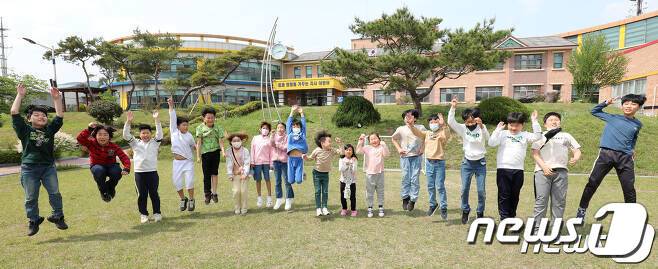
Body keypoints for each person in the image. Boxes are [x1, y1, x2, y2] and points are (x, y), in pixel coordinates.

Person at [576, 94, 646, 220]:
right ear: (622, 105)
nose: (629, 106)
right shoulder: (612, 117)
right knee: (593, 182)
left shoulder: (638, 124)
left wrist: (632, 149)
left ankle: (632, 216)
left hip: (625, 158)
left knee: (629, 188)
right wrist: (605, 103)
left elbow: (633, 138)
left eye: (633, 104)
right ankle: (582, 209)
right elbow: (594, 111)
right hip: (606, 155)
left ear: (639, 107)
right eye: (626, 103)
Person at [11, 83, 68, 236]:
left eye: (43, 116)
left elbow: (59, 116)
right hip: (29, 169)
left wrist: (57, 99)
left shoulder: (49, 130)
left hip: (48, 167)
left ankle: (58, 216)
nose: (41, 117)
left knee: (55, 193)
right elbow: (14, 111)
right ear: (29, 119)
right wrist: (20, 95)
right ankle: (34, 220)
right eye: (37, 115)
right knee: (30, 197)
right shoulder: (25, 130)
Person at [488, 110, 541, 220]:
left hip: (518, 170)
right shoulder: (503, 134)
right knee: (504, 195)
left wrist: (534, 121)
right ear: (508, 125)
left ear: (522, 125)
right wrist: (497, 130)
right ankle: (504, 218)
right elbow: (491, 143)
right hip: (503, 169)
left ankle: (511, 217)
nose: (513, 128)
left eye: (517, 126)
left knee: (515, 195)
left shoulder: (524, 135)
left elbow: (537, 136)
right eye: (511, 125)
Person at [531, 112, 581, 227]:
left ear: (560, 122)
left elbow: (576, 150)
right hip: (542, 172)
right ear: (545, 124)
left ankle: (555, 229)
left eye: (556, 120)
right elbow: (535, 153)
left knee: (559, 202)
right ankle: (537, 229)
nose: (554, 122)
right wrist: (544, 167)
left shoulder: (566, 135)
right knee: (541, 200)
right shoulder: (540, 136)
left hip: (561, 172)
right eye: (551, 120)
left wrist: (576, 157)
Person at [447, 98, 490, 224]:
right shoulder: (462, 129)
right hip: (467, 163)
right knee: (464, 189)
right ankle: (465, 209)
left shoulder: (482, 127)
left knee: (481, 190)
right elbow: (450, 122)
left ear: (477, 119)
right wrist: (453, 107)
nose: (470, 125)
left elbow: (488, 139)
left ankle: (480, 212)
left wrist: (482, 126)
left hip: (480, 163)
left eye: (472, 122)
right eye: (467, 122)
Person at [123, 110, 163, 224]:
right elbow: (126, 135)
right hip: (139, 174)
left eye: (147, 133)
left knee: (154, 193)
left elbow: (159, 134)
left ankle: (157, 213)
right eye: (143, 133)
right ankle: (144, 215)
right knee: (142, 195)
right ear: (140, 135)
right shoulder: (135, 143)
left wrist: (157, 120)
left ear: (150, 134)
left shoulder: (155, 142)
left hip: (152, 173)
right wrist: (128, 122)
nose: (145, 135)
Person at [77, 123, 131, 203]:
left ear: (109, 136)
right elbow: (80, 138)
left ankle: (110, 187)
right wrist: (89, 130)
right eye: (100, 134)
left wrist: (127, 167)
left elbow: (123, 157)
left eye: (105, 135)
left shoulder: (114, 146)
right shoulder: (91, 143)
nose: (102, 137)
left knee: (116, 172)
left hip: (111, 165)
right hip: (96, 165)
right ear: (95, 135)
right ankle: (104, 192)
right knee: (99, 171)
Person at [410, 113, 450, 219]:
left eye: (435, 122)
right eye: (431, 122)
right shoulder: (427, 133)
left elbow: (447, 135)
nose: (433, 124)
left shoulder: (442, 132)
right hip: (428, 163)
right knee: (430, 186)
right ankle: (433, 204)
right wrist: (411, 125)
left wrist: (444, 124)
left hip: (439, 163)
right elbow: (417, 133)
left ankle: (443, 207)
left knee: (440, 186)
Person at [391, 109, 427, 212]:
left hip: (416, 157)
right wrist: (399, 149)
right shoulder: (401, 129)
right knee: (405, 178)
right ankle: (405, 198)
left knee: (414, 179)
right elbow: (394, 139)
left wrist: (422, 149)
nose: (408, 119)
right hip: (405, 158)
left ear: (415, 118)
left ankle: (413, 200)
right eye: (406, 117)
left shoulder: (420, 128)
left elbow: (426, 138)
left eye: (410, 116)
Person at [304, 131, 343, 217]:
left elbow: (341, 152)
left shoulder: (332, 150)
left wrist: (340, 144)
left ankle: (324, 207)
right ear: (322, 143)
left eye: (331, 141)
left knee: (325, 191)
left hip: (325, 174)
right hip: (316, 174)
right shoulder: (317, 150)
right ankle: (318, 208)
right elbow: (310, 158)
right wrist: (305, 157)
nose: (330, 143)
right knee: (318, 191)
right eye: (329, 141)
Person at [167, 98, 196, 212]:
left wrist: (199, 148)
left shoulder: (189, 135)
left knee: (189, 182)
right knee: (177, 183)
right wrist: (171, 106)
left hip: (188, 162)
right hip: (177, 163)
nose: (186, 127)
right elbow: (172, 118)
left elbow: (194, 146)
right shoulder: (174, 132)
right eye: (184, 125)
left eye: (187, 125)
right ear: (178, 126)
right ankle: (183, 199)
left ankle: (192, 200)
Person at [196, 107, 225, 205]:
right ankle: (207, 194)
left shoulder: (218, 128)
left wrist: (223, 152)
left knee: (215, 174)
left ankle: (215, 193)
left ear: (215, 118)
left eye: (212, 117)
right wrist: (198, 156)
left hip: (215, 152)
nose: (210, 119)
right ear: (203, 118)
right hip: (205, 154)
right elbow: (199, 143)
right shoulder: (200, 128)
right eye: (208, 117)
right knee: (206, 175)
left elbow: (221, 141)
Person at [356, 133, 391, 218]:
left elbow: (387, 155)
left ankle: (380, 207)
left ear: (379, 139)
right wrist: (360, 141)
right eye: (371, 139)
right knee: (369, 192)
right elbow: (358, 151)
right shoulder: (367, 148)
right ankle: (370, 208)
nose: (374, 140)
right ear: (369, 141)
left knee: (380, 191)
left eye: (375, 138)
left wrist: (384, 145)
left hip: (380, 173)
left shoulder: (381, 147)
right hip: (370, 174)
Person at [271, 122, 294, 210]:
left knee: (287, 181)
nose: (280, 129)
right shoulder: (274, 136)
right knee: (277, 181)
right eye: (278, 127)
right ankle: (279, 199)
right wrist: (272, 136)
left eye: (282, 127)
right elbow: (271, 144)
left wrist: (277, 145)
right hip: (275, 161)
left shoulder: (288, 137)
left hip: (285, 161)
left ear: (285, 129)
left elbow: (286, 148)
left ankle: (288, 199)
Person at [251, 121, 274, 208]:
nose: (265, 130)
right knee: (258, 180)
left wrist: (272, 164)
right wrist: (252, 162)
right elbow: (252, 150)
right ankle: (259, 198)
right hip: (256, 163)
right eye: (263, 128)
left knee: (267, 179)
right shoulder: (255, 138)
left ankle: (269, 198)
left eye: (267, 128)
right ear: (260, 129)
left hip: (267, 163)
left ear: (269, 130)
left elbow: (272, 152)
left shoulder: (270, 139)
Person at [226, 133, 251, 215]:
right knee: (236, 191)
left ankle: (244, 208)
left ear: (241, 141)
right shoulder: (228, 151)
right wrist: (230, 174)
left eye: (238, 140)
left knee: (244, 191)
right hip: (234, 174)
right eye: (234, 141)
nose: (236, 142)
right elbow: (229, 163)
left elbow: (247, 163)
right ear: (231, 142)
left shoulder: (245, 150)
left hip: (244, 174)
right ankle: (237, 208)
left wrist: (245, 173)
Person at [286, 105, 307, 188]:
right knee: (290, 181)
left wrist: (301, 113)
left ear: (300, 128)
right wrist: (292, 111)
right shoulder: (290, 134)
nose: (295, 127)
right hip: (291, 159)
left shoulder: (302, 134)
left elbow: (304, 125)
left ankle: (302, 174)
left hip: (299, 159)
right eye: (294, 126)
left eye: (297, 126)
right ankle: (300, 174)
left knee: (298, 181)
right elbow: (288, 124)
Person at [338, 144, 358, 217]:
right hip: (343, 181)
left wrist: (352, 164)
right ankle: (344, 209)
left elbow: (354, 170)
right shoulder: (341, 159)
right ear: (344, 151)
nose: (348, 151)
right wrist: (346, 164)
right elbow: (341, 169)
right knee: (343, 196)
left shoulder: (354, 159)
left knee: (352, 196)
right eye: (346, 150)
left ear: (352, 151)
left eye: (350, 150)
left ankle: (353, 210)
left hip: (352, 182)